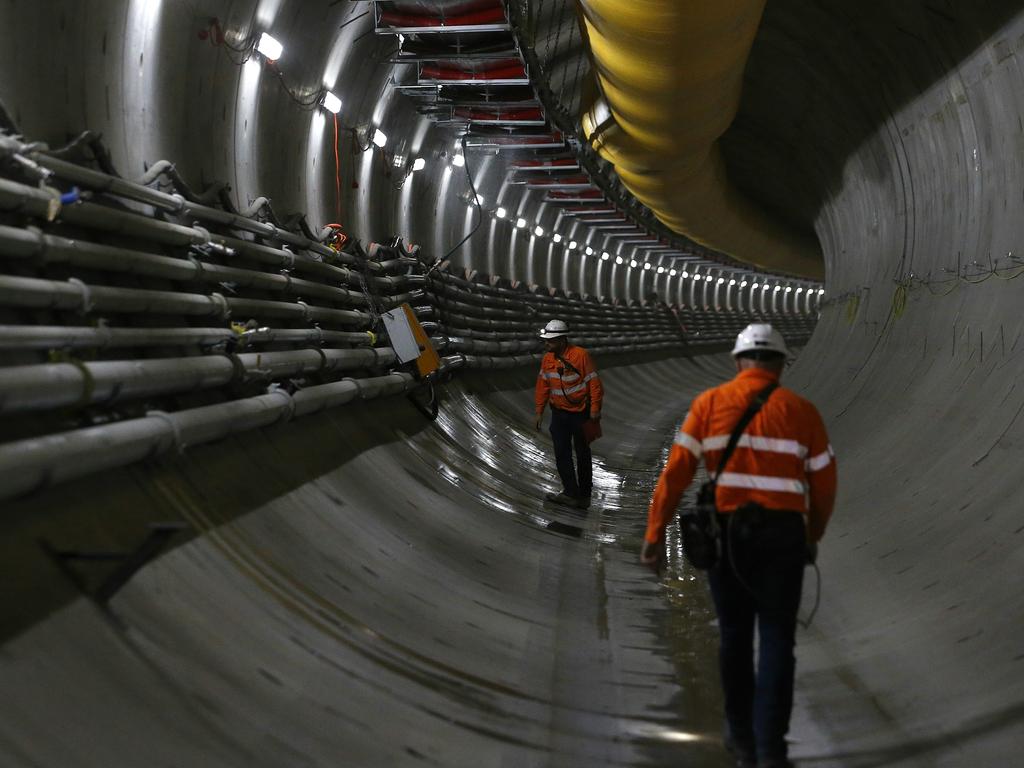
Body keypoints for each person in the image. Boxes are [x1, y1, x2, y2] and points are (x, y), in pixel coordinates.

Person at [640, 323, 837, 768]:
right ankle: (771, 749)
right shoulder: (802, 411)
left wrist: (654, 536)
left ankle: (741, 737)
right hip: (784, 537)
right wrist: (811, 535)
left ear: (738, 361)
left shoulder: (709, 405)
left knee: (733, 635)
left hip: (728, 535)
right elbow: (824, 484)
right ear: (781, 365)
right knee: (776, 639)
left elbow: (675, 476)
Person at [534, 319, 603, 509]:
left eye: (551, 341)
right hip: (559, 414)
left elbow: (594, 384)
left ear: (563, 340)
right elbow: (543, 385)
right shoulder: (548, 359)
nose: (547, 344)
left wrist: (595, 409)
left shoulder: (580, 356)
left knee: (582, 454)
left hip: (580, 413)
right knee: (561, 453)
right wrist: (539, 411)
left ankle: (585, 495)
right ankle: (571, 493)